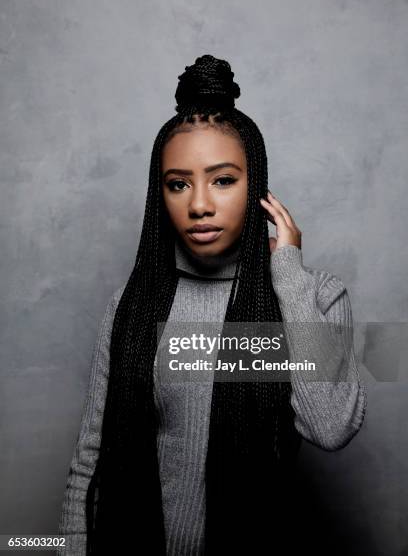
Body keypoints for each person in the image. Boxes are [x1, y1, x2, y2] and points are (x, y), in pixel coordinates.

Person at [57, 54, 367, 555]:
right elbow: (90, 461)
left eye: (223, 180)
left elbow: (330, 426)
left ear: (257, 187)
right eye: (178, 184)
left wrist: (287, 275)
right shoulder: (133, 306)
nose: (199, 203)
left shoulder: (316, 296)